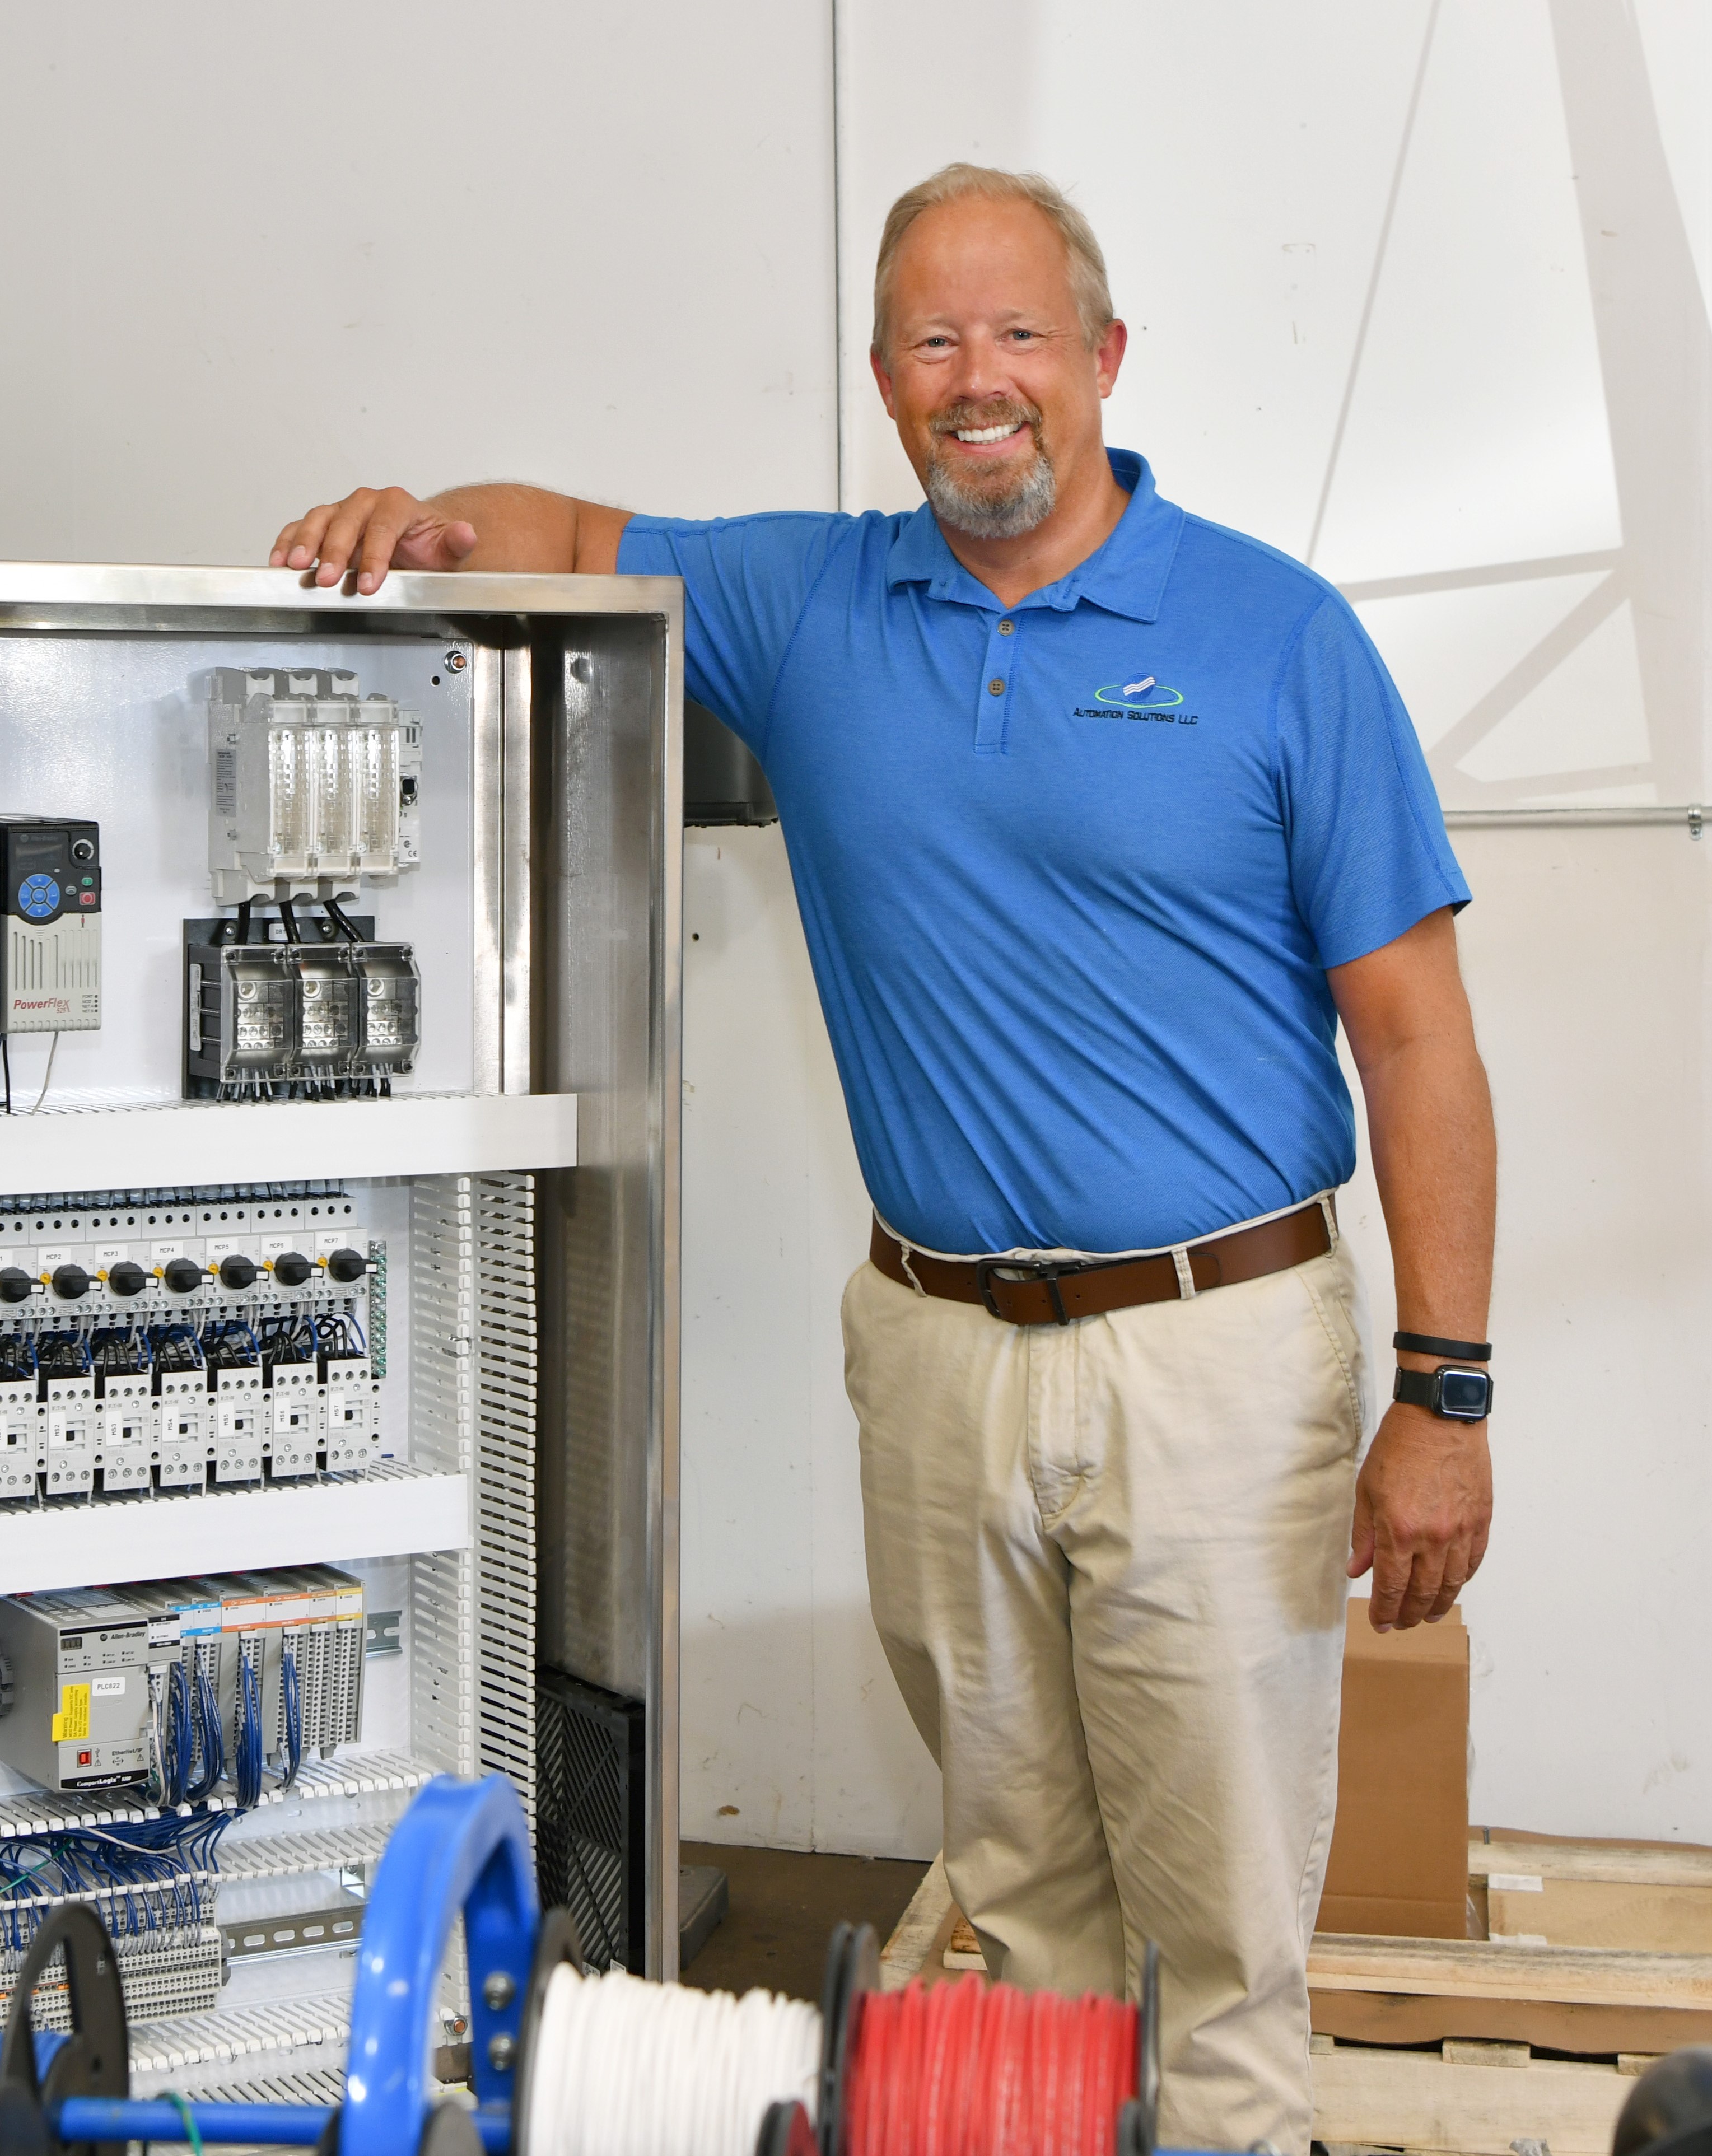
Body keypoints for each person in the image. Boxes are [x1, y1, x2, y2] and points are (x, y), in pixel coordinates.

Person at [267, 161, 1496, 2154]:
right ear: (882, 377)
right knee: (1011, 1894)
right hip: (929, 1353)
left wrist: (1443, 1390)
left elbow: (1419, 1036)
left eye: (1018, 334)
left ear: (1101, 358)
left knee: (1219, 1928)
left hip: (1217, 1352)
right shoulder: (813, 603)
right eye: (933, 340)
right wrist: (409, 516)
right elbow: (564, 531)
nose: (977, 378)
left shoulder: (1276, 635)